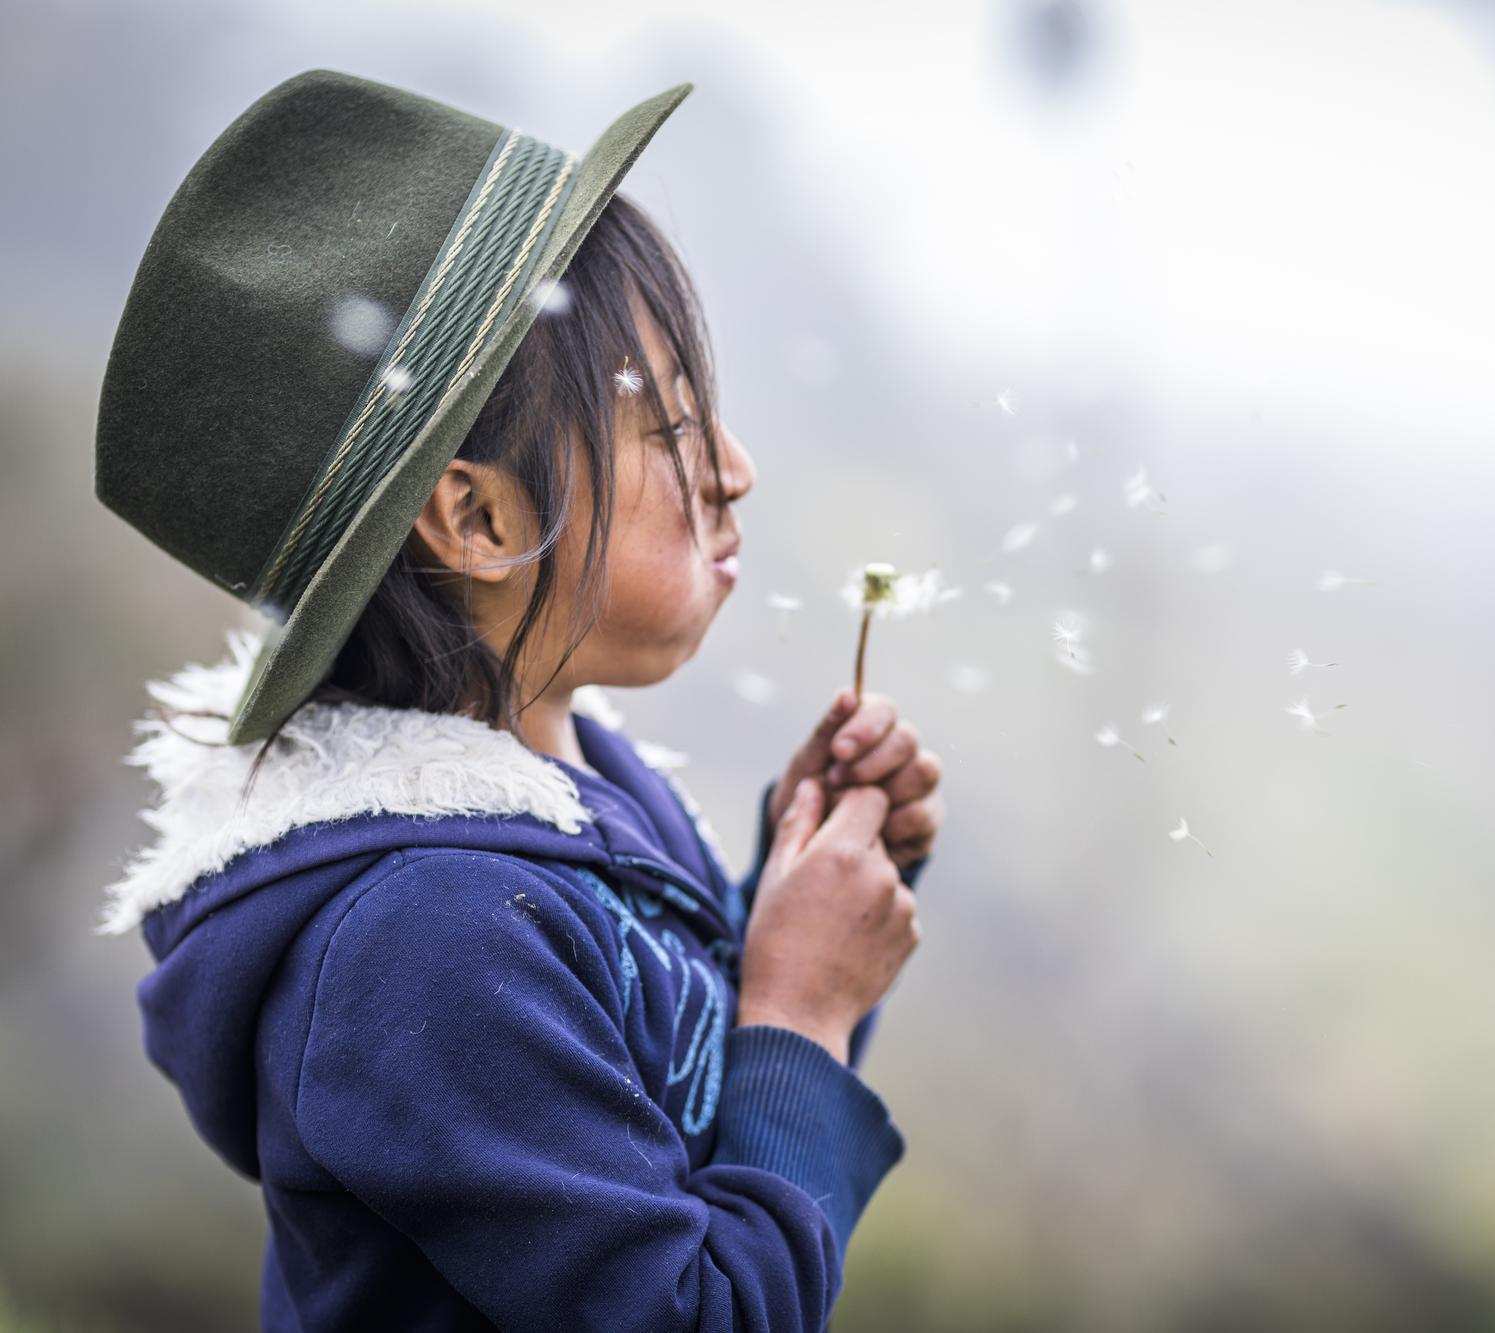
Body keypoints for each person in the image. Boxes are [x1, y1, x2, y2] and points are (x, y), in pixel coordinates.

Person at [92, 68, 944, 1330]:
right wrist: (803, 1005)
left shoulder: (571, 803)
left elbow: (708, 1124)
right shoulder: (424, 936)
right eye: (673, 428)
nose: (739, 471)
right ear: (481, 517)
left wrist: (791, 913)